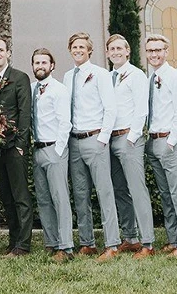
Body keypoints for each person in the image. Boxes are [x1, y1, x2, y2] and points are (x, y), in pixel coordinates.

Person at [63, 32, 120, 261]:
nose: (78, 50)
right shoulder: (68, 76)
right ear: (70, 49)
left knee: (104, 192)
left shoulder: (100, 74)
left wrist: (103, 138)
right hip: (74, 141)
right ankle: (87, 242)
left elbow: (110, 108)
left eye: (82, 47)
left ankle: (112, 244)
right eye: (74, 46)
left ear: (89, 50)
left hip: (95, 139)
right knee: (80, 194)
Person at [142, 35, 177, 258]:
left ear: (166, 51)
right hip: (153, 140)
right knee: (165, 193)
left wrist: (172, 141)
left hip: (170, 142)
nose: (154, 54)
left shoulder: (174, 77)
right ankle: (173, 239)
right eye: (150, 51)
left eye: (158, 50)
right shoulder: (150, 78)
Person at [105, 34, 154, 256]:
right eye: (111, 49)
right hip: (110, 139)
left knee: (137, 189)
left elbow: (141, 109)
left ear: (127, 51)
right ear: (107, 53)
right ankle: (130, 237)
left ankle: (148, 242)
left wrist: (132, 137)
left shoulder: (136, 75)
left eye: (119, 48)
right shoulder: (108, 77)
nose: (115, 52)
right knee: (120, 190)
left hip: (128, 138)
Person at [0, 37, 33, 256]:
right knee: (6, 196)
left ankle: (23, 244)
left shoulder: (20, 78)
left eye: (1, 50)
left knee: (20, 196)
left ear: (8, 53)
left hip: (15, 147)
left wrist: (22, 145)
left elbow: (24, 113)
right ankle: (13, 241)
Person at [29, 48, 74, 262]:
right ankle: (52, 242)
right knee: (44, 199)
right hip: (37, 149)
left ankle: (66, 247)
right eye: (36, 63)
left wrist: (58, 150)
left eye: (44, 62)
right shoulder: (31, 89)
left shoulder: (59, 90)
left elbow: (65, 122)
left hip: (54, 149)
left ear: (52, 65)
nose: (40, 66)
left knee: (60, 198)